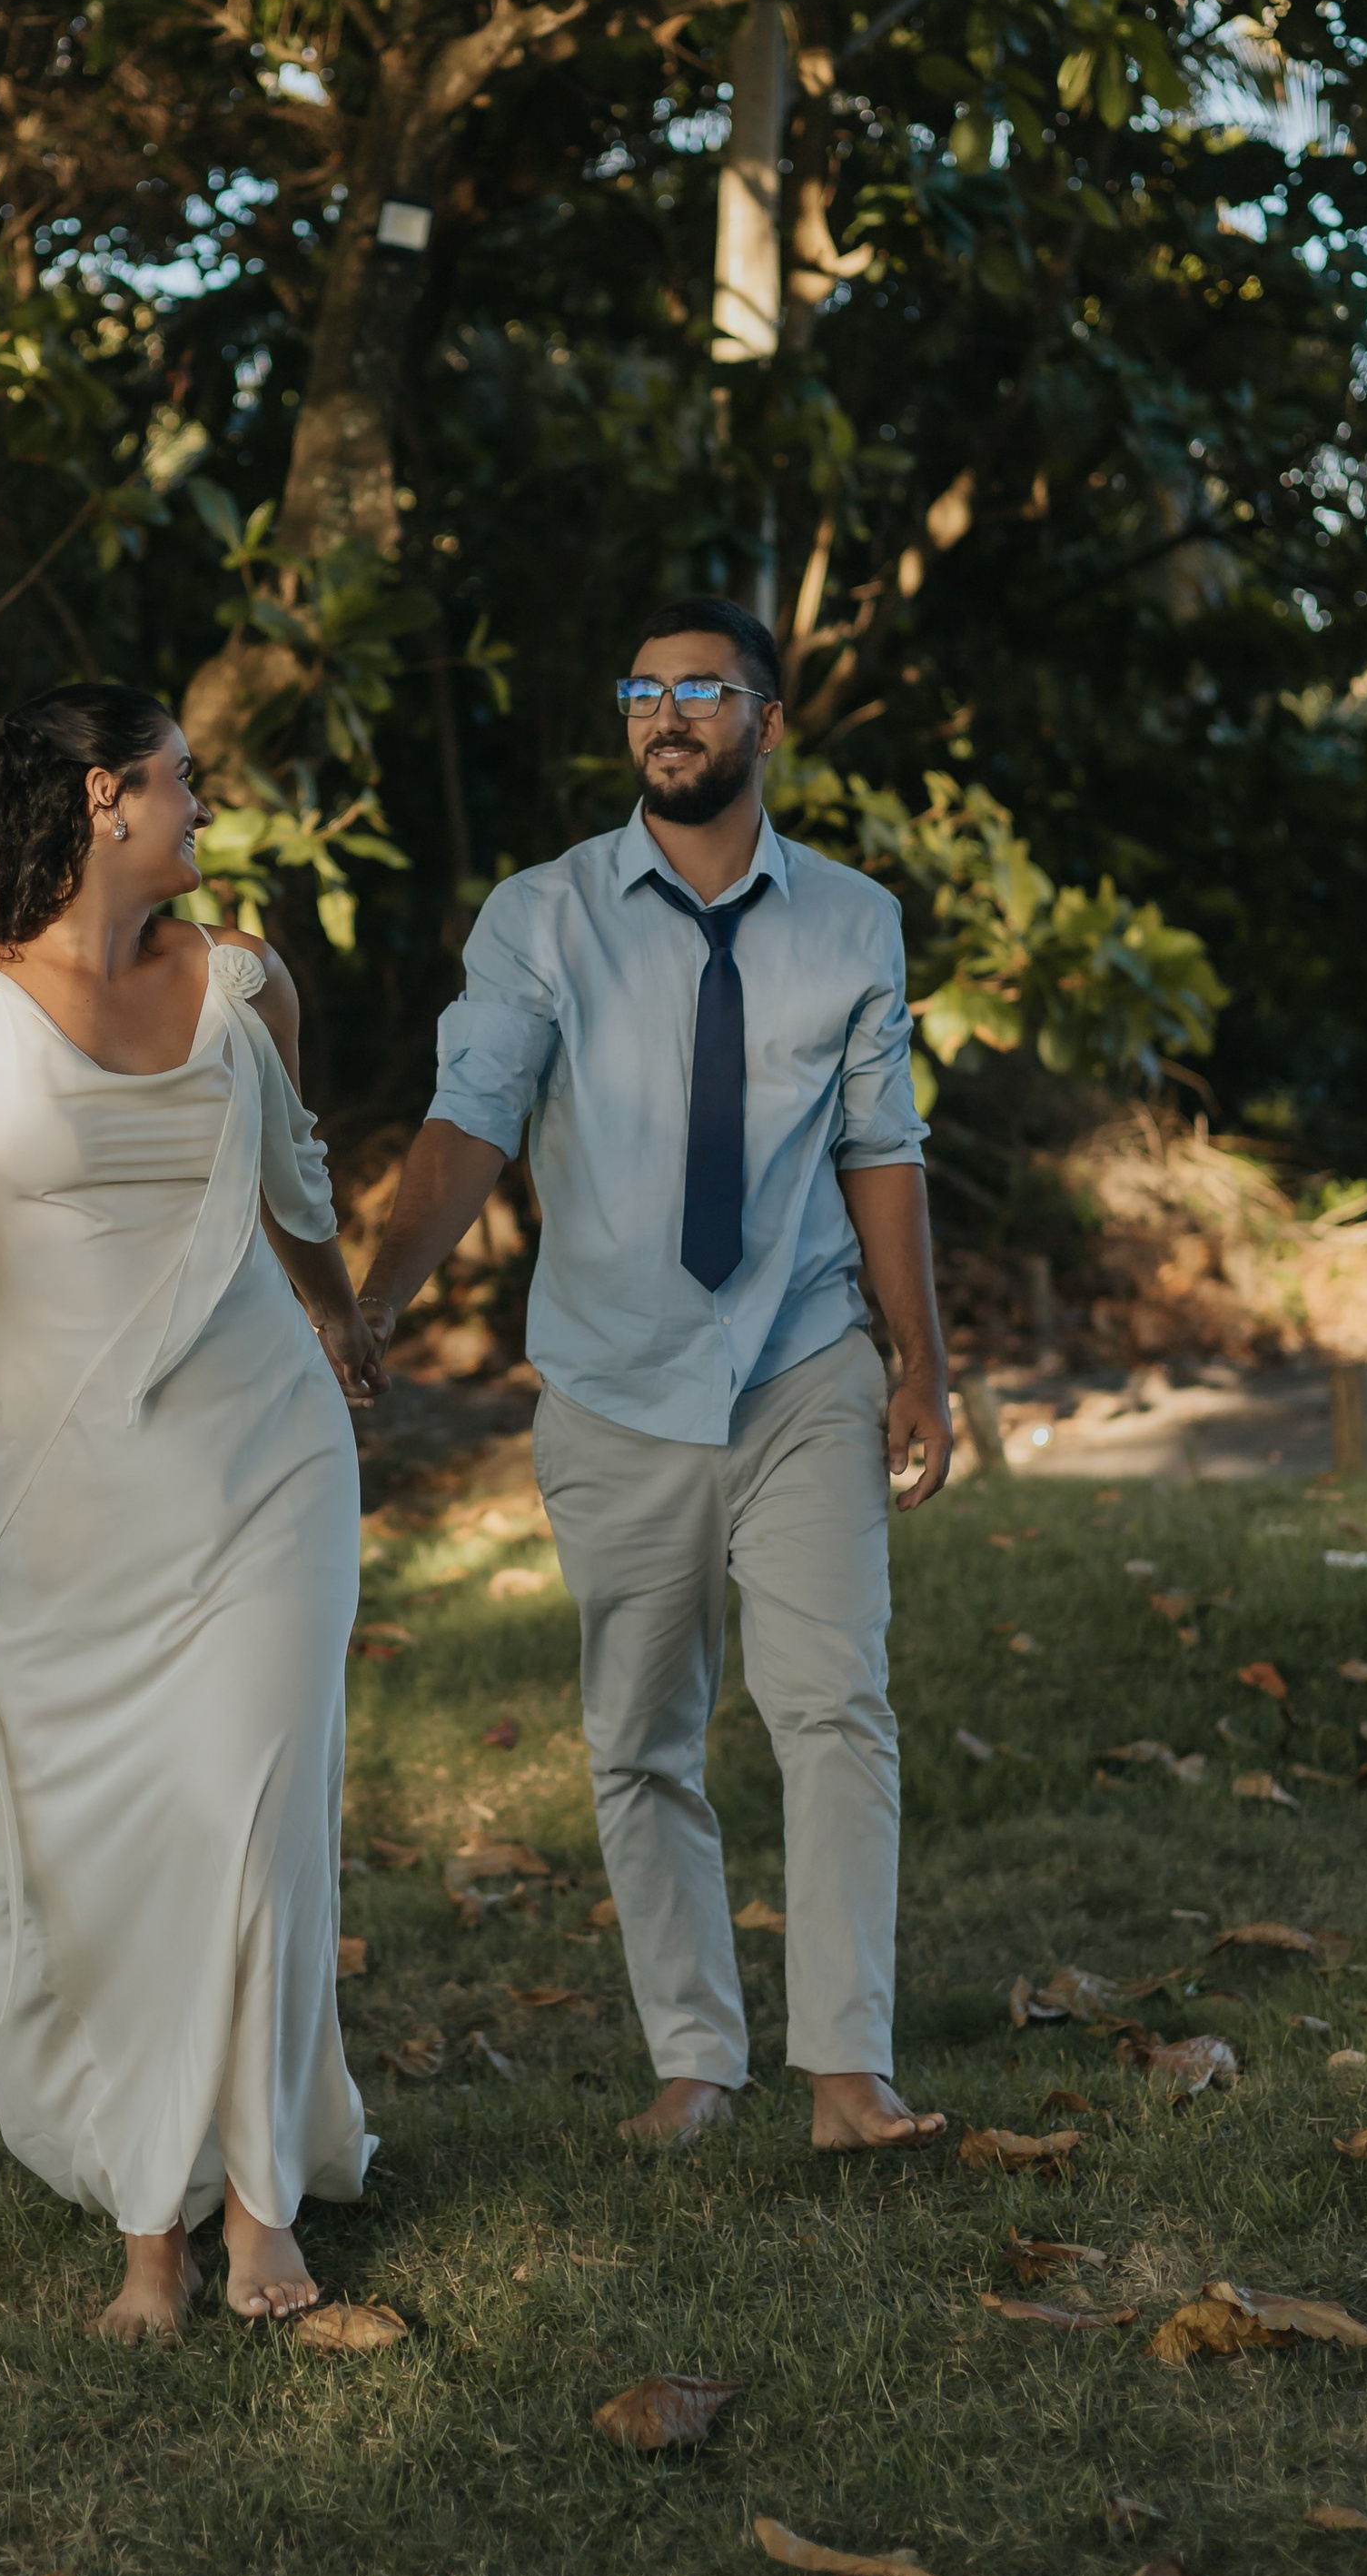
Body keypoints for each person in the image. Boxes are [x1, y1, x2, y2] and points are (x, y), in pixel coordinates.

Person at [357, 597, 950, 2153]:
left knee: (834, 1704)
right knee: (640, 1734)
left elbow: (882, 1148)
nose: (668, 715)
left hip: (801, 1359)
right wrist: (372, 1304)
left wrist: (920, 1365)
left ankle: (847, 2072)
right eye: (644, 691)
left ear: (768, 719)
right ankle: (695, 2056)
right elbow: (470, 1113)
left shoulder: (853, 920)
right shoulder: (539, 915)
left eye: (703, 690)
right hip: (615, 1381)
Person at [0, 684, 384, 2337]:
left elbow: (291, 1186)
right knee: (125, 1842)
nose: (204, 811)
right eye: (181, 784)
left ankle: (263, 2210)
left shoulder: (244, 980)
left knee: (260, 1811)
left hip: (264, 1458)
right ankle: (152, 2225)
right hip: (73, 1484)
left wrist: (345, 1320)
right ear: (98, 797)